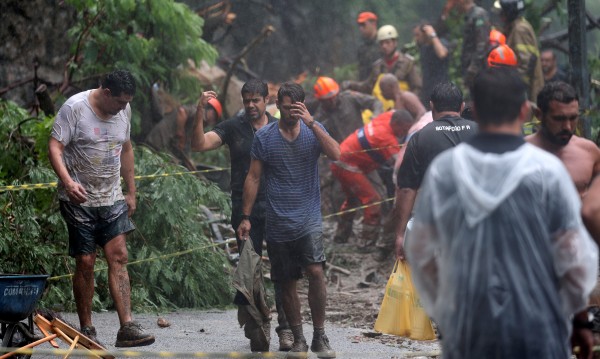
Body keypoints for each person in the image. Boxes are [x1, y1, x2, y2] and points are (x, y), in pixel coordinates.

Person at [406, 67, 598, 359]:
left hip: (472, 327)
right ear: (524, 111)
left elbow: (420, 252)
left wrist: (445, 310)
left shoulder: (447, 171)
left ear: (474, 111)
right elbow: (573, 256)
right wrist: (580, 320)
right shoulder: (547, 171)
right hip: (539, 326)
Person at [48, 69, 155, 347]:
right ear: (106, 93)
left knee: (119, 256)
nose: (123, 107)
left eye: (126, 103)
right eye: (119, 102)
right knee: (85, 261)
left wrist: (131, 191)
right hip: (79, 199)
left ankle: (127, 327)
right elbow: (55, 146)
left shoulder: (124, 110)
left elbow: (127, 148)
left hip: (112, 196)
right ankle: (87, 328)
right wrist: (68, 183)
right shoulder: (74, 108)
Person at [237, 82, 340, 358]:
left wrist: (313, 123)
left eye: (296, 107)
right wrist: (245, 217)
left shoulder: (312, 130)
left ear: (303, 106)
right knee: (286, 282)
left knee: (316, 272)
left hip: (309, 218)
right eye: (285, 107)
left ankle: (320, 335)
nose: (291, 112)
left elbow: (337, 154)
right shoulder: (266, 137)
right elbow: (254, 177)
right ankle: (298, 339)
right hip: (279, 221)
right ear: (278, 106)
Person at [189, 80, 293, 351]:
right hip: (244, 206)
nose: (250, 105)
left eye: (256, 100)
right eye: (246, 100)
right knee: (249, 266)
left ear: (266, 100)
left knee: (282, 268)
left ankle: (286, 329)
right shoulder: (234, 127)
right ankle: (258, 324)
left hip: (277, 204)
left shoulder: (278, 127)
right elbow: (199, 144)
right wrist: (199, 111)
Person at [394, 82, 478, 260]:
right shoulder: (481, 132)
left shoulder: (420, 137)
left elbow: (407, 189)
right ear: (462, 106)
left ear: (431, 106)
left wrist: (400, 234)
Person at [331, 110, 415, 250]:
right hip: (346, 165)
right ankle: (366, 243)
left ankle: (341, 236)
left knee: (355, 199)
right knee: (373, 200)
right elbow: (400, 164)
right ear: (396, 123)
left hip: (354, 160)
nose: (404, 133)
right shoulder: (385, 137)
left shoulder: (389, 115)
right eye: (404, 129)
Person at [526, 81, 600, 197]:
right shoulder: (519, 153)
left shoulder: (589, 151)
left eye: (573, 118)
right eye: (558, 119)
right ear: (539, 114)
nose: (567, 126)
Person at [345, 25, 422, 99]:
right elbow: (367, 87)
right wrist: (351, 85)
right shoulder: (377, 66)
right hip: (382, 108)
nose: (384, 46)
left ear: (395, 43)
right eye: (381, 43)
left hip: (402, 108)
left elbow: (417, 87)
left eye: (387, 42)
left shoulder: (408, 63)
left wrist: (408, 102)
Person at [498, 0, 544, 101]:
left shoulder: (520, 30)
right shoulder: (515, 27)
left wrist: (514, 88)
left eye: (502, 11)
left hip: (525, 94)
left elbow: (526, 65)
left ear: (509, 13)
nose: (500, 15)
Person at [313, 76, 383, 143]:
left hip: (362, 144)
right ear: (321, 100)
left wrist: (375, 117)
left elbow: (376, 102)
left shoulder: (349, 98)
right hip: (342, 153)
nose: (332, 101)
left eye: (334, 97)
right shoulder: (319, 119)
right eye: (328, 100)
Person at [412, 23, 449, 107]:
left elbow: (442, 54)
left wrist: (432, 34)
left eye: (418, 35)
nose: (416, 38)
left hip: (441, 92)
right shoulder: (423, 48)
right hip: (427, 92)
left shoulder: (441, 42)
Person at [459, 0, 491, 89]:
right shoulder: (470, 15)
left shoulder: (478, 14)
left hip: (478, 70)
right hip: (471, 68)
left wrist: (473, 68)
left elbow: (482, 43)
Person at [356, 12, 380, 82]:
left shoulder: (383, 44)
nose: (361, 28)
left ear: (373, 24)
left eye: (364, 25)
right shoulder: (362, 48)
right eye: (359, 25)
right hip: (365, 86)